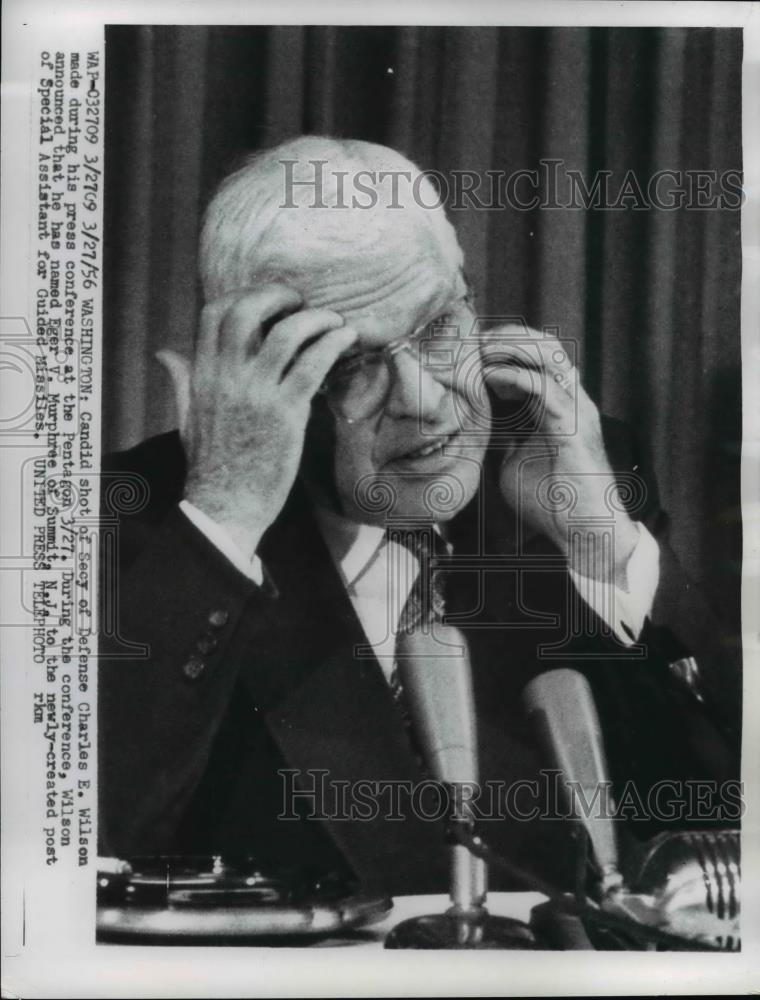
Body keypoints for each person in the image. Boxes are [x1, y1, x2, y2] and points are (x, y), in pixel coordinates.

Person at [98, 136, 739, 896]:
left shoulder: (562, 470)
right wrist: (227, 514)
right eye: (352, 363)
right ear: (248, 361)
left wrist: (604, 554)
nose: (425, 399)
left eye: (438, 327)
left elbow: (721, 834)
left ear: (466, 289)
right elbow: (72, 854)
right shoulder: (135, 527)